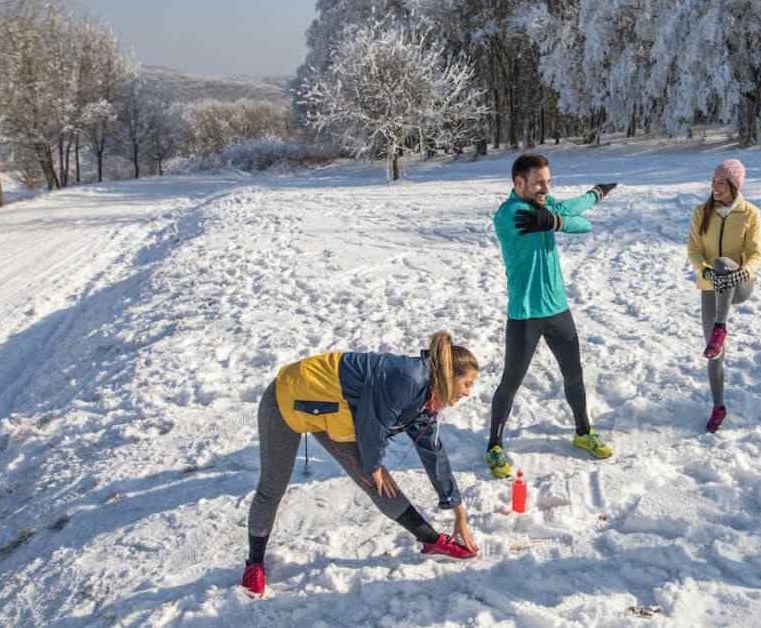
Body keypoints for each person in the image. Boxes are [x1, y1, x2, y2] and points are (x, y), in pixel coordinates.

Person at [241, 331, 480, 596]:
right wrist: (374, 465)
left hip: (333, 414)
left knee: (378, 482)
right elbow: (372, 424)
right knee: (272, 487)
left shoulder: (427, 399)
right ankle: (255, 563)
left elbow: (434, 454)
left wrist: (458, 511)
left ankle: (431, 540)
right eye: (467, 383)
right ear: (448, 376)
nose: (468, 393)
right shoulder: (408, 378)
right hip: (287, 398)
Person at [484, 153, 618, 478]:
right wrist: (552, 216)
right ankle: (494, 446)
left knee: (574, 373)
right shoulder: (510, 214)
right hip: (526, 314)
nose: (546, 187)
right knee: (511, 381)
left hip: (558, 308)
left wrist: (594, 195)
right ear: (519, 183)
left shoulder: (543, 205)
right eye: (539, 182)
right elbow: (552, 216)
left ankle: (583, 432)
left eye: (549, 180)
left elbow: (579, 220)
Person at [686, 159, 761, 433]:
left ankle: (721, 326)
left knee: (724, 263)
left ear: (734, 184)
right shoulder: (701, 212)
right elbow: (694, 250)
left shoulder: (750, 213)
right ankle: (718, 406)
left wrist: (744, 272)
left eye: (720, 182)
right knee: (714, 353)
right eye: (713, 182)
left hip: (740, 282)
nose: (715, 187)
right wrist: (704, 271)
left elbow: (756, 254)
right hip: (711, 284)